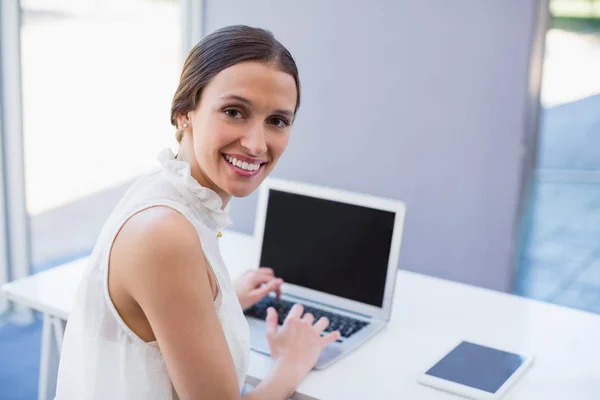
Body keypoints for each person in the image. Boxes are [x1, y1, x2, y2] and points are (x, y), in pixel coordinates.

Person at [54, 25, 340, 399]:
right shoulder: (164, 234)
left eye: (277, 121)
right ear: (184, 113)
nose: (256, 144)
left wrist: (219, 302)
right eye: (234, 112)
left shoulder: (165, 191)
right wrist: (292, 363)